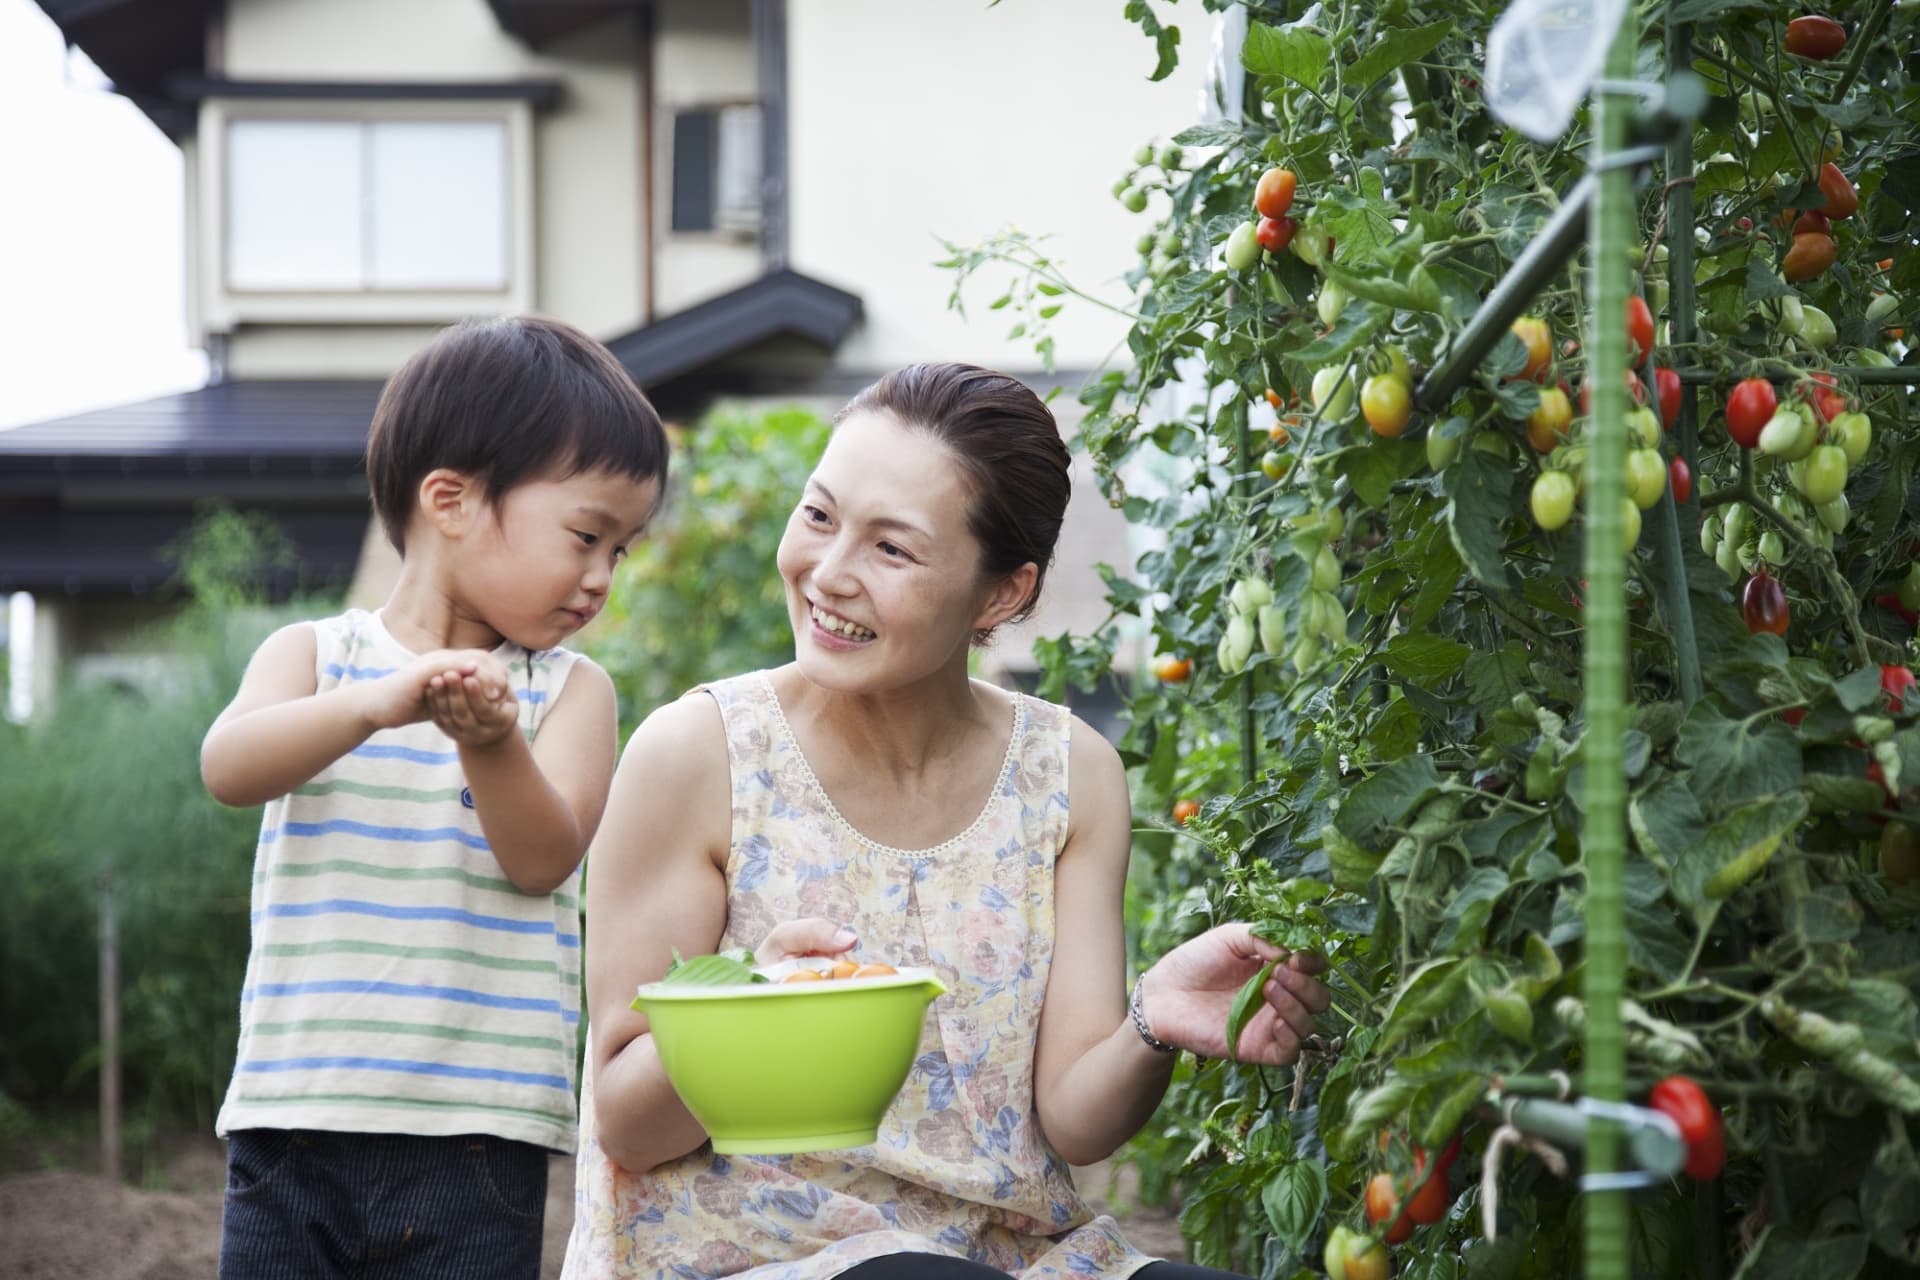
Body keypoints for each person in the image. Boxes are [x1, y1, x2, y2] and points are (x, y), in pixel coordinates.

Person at [564, 362, 1330, 1279]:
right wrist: (748, 1015)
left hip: (1008, 1257)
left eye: (892, 549)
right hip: (751, 1258)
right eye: (819, 516)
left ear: (1001, 594)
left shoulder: (1068, 773)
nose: (830, 572)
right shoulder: (699, 753)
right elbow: (628, 1124)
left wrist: (1152, 1023)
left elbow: (1072, 1123)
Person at [201, 315, 668, 1278]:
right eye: (587, 535)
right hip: (296, 1117)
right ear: (451, 500)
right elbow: (230, 768)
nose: (599, 580)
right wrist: (372, 705)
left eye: (619, 553)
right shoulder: (314, 657)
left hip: (476, 1134)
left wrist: (491, 744)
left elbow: (543, 858)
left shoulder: (569, 693)